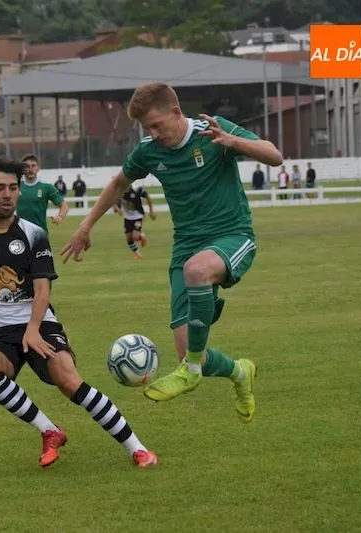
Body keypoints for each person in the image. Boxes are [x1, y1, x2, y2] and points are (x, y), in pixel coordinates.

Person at [60, 82, 284, 423]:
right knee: (192, 351)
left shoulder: (212, 131)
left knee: (196, 275)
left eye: (156, 125)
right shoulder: (149, 151)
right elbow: (119, 183)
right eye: (146, 128)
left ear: (176, 112)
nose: (152, 133)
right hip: (186, 248)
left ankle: (190, 370)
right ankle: (239, 372)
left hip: (232, 236)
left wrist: (233, 141)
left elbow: (274, 155)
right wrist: (86, 225)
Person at [0, 157, 157, 469]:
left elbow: (42, 289)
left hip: (39, 323)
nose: (8, 194)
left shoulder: (33, 233)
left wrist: (33, 328)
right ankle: (50, 431)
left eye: (13, 188)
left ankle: (137, 448)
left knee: (68, 380)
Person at [18, 154, 68, 235]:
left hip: (40, 234)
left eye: (33, 166)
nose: (30, 169)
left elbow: (64, 205)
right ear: (23, 169)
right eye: (27, 166)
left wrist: (60, 217)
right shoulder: (16, 186)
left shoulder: (46, 186)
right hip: (20, 234)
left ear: (38, 168)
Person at [112, 184, 156, 259]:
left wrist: (151, 212)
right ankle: (137, 254)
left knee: (135, 236)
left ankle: (141, 236)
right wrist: (117, 208)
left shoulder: (137, 189)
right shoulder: (119, 191)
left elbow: (148, 198)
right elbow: (112, 201)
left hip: (138, 216)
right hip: (127, 218)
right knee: (129, 238)